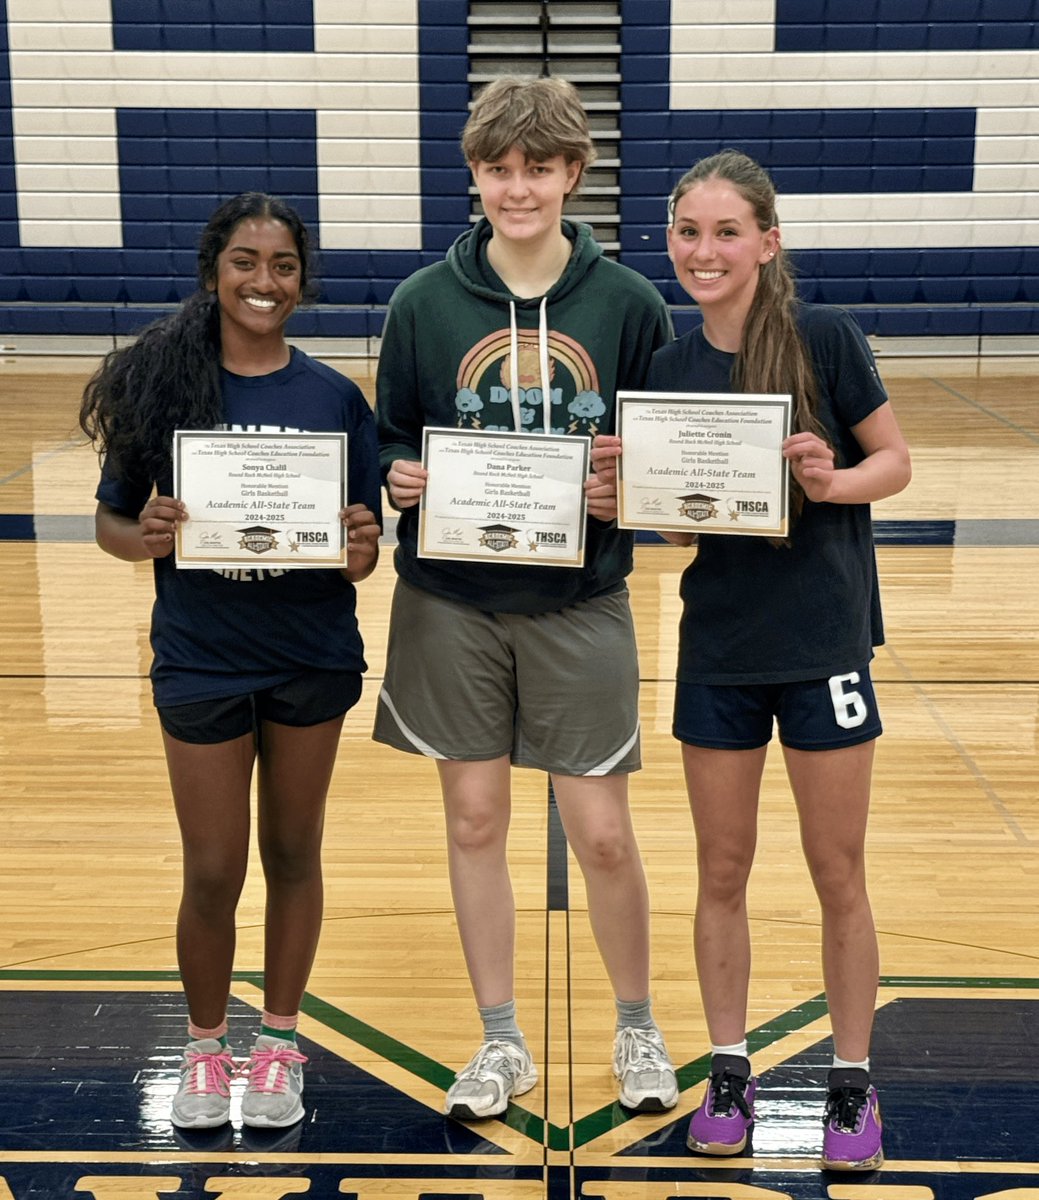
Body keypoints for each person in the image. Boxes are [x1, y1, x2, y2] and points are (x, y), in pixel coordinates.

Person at [372, 75, 678, 1121]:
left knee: (599, 832)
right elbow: (394, 432)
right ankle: (500, 1041)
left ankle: (637, 1026)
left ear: (573, 175)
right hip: (450, 600)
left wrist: (622, 486)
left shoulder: (630, 306)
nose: (517, 187)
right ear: (474, 174)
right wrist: (400, 475)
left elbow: (662, 458)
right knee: (472, 818)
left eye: (537, 168)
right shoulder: (420, 303)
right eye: (498, 168)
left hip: (579, 601)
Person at [79, 193, 382, 1132]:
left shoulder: (334, 397)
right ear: (215, 270)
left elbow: (366, 550)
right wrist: (153, 537)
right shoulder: (161, 385)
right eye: (246, 261)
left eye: (283, 264)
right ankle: (205, 1050)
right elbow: (110, 525)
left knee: (294, 854)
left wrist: (355, 543)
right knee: (213, 869)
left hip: (310, 654)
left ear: (304, 279)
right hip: (203, 660)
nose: (264, 280)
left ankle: (279, 1042)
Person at [635, 149, 911, 1169]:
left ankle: (850, 1085)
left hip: (821, 644)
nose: (703, 251)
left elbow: (893, 460)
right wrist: (644, 501)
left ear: (765, 242)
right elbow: (678, 533)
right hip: (717, 648)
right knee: (721, 868)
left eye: (723, 232)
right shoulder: (667, 366)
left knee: (837, 871)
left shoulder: (822, 340)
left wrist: (832, 481)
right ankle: (727, 1069)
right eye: (687, 232)